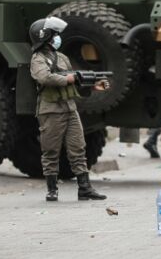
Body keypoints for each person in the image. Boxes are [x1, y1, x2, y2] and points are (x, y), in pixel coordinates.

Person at [29, 16, 109, 202]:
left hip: (69, 109)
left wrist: (92, 86)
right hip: (50, 111)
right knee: (51, 151)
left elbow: (73, 83)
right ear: (45, 37)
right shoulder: (37, 59)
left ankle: (84, 188)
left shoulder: (62, 58)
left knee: (78, 148)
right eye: (54, 35)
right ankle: (52, 189)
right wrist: (68, 79)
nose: (58, 38)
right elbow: (44, 78)